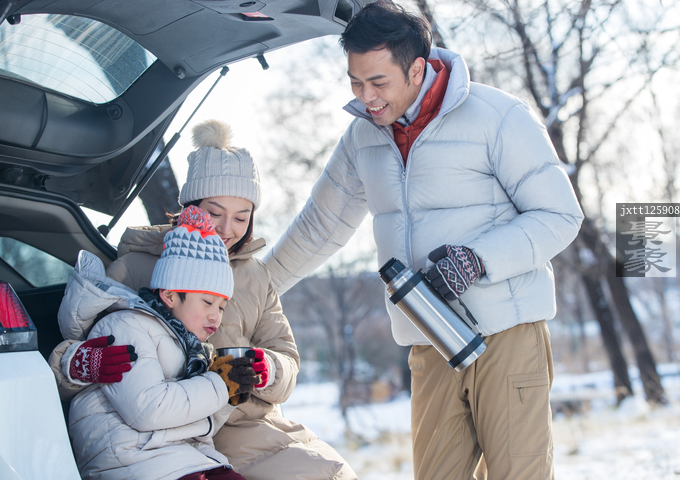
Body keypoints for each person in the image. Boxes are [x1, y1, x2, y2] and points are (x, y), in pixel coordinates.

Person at [262, 2, 584, 479]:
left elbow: (560, 215)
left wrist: (476, 260)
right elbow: (319, 227)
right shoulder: (362, 139)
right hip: (430, 339)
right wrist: (249, 291)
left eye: (378, 82)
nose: (366, 97)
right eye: (355, 82)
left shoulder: (497, 116)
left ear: (417, 69)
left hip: (508, 332)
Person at [51, 119, 357, 479]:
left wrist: (269, 368)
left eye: (241, 217)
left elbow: (287, 359)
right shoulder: (137, 267)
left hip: (254, 421)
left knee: (337, 472)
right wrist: (76, 364)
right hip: (181, 432)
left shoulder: (255, 276)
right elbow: (82, 340)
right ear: (191, 207)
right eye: (214, 213)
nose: (227, 229)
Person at [63, 206, 252, 480]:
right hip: (132, 460)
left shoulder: (191, 348)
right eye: (208, 302)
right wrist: (219, 385)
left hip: (177, 458)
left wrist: (228, 395)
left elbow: (192, 422)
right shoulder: (125, 326)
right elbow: (148, 411)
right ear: (170, 295)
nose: (216, 316)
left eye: (222, 307)